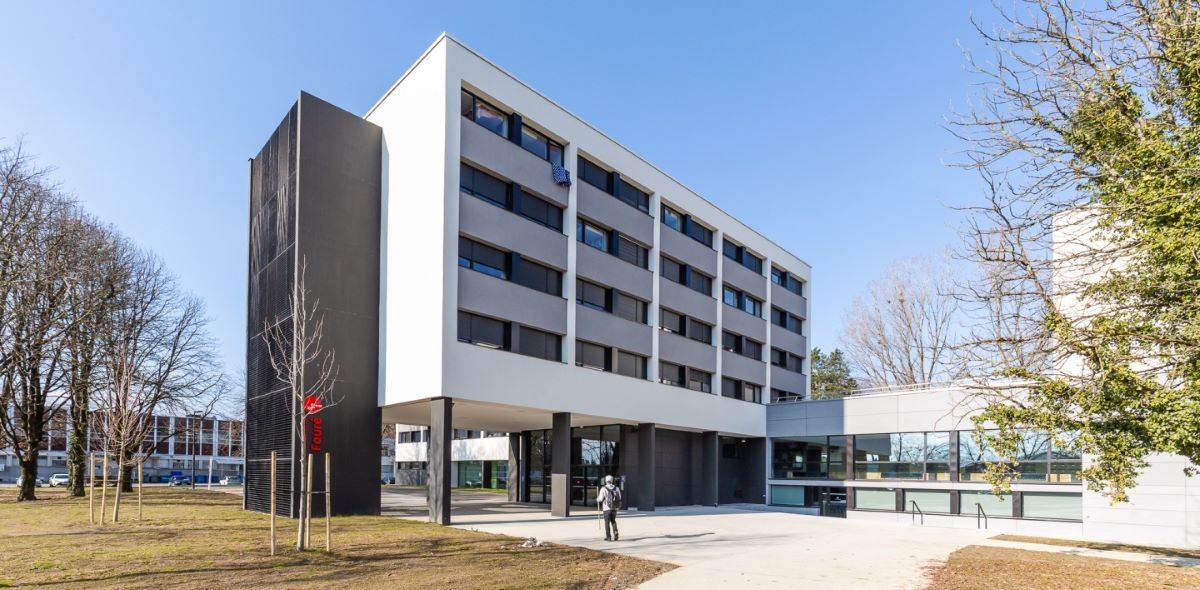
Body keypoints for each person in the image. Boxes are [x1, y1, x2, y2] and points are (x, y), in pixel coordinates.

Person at [597, 474, 622, 541]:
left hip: (606, 508)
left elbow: (600, 499)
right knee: (613, 521)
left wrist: (597, 499)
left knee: (607, 522)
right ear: (612, 480)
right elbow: (619, 497)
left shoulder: (603, 488)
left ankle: (608, 537)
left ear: (606, 481)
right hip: (614, 508)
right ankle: (615, 532)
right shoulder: (617, 488)